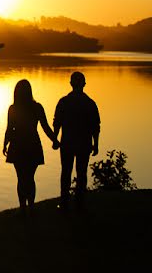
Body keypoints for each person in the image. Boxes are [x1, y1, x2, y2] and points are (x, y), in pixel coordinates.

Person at [3, 79, 57, 211]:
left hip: (17, 145)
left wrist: (5, 144)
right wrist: (54, 140)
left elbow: (9, 129)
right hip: (33, 144)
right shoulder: (37, 107)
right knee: (30, 178)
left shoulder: (13, 108)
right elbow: (45, 127)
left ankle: (23, 207)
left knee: (21, 178)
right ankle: (31, 205)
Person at [53, 70, 100, 208]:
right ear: (84, 84)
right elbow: (95, 127)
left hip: (67, 143)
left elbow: (57, 123)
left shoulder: (63, 102)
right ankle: (79, 202)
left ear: (71, 84)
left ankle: (64, 201)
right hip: (84, 144)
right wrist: (95, 144)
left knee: (66, 172)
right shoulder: (90, 103)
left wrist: (55, 140)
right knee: (82, 173)